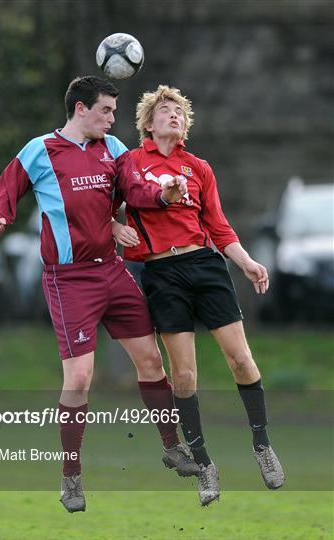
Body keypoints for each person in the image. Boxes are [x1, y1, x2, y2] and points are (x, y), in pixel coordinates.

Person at [0, 76, 197, 513]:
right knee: (79, 379)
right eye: (106, 111)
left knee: (152, 361)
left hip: (112, 272)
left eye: (115, 113)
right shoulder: (40, 150)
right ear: (81, 109)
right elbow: (7, 191)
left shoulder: (114, 151)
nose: (113, 120)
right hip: (68, 279)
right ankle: (71, 476)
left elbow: (134, 189)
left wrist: (152, 198)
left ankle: (172, 447)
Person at [112, 84, 284, 506]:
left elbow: (219, 226)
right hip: (160, 273)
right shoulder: (131, 163)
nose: (175, 116)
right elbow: (109, 204)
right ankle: (205, 463)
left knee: (241, 360)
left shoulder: (198, 167)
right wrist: (115, 227)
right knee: (185, 375)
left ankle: (262, 445)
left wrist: (246, 261)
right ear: (148, 124)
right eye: (166, 111)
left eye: (180, 113)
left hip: (205, 265)